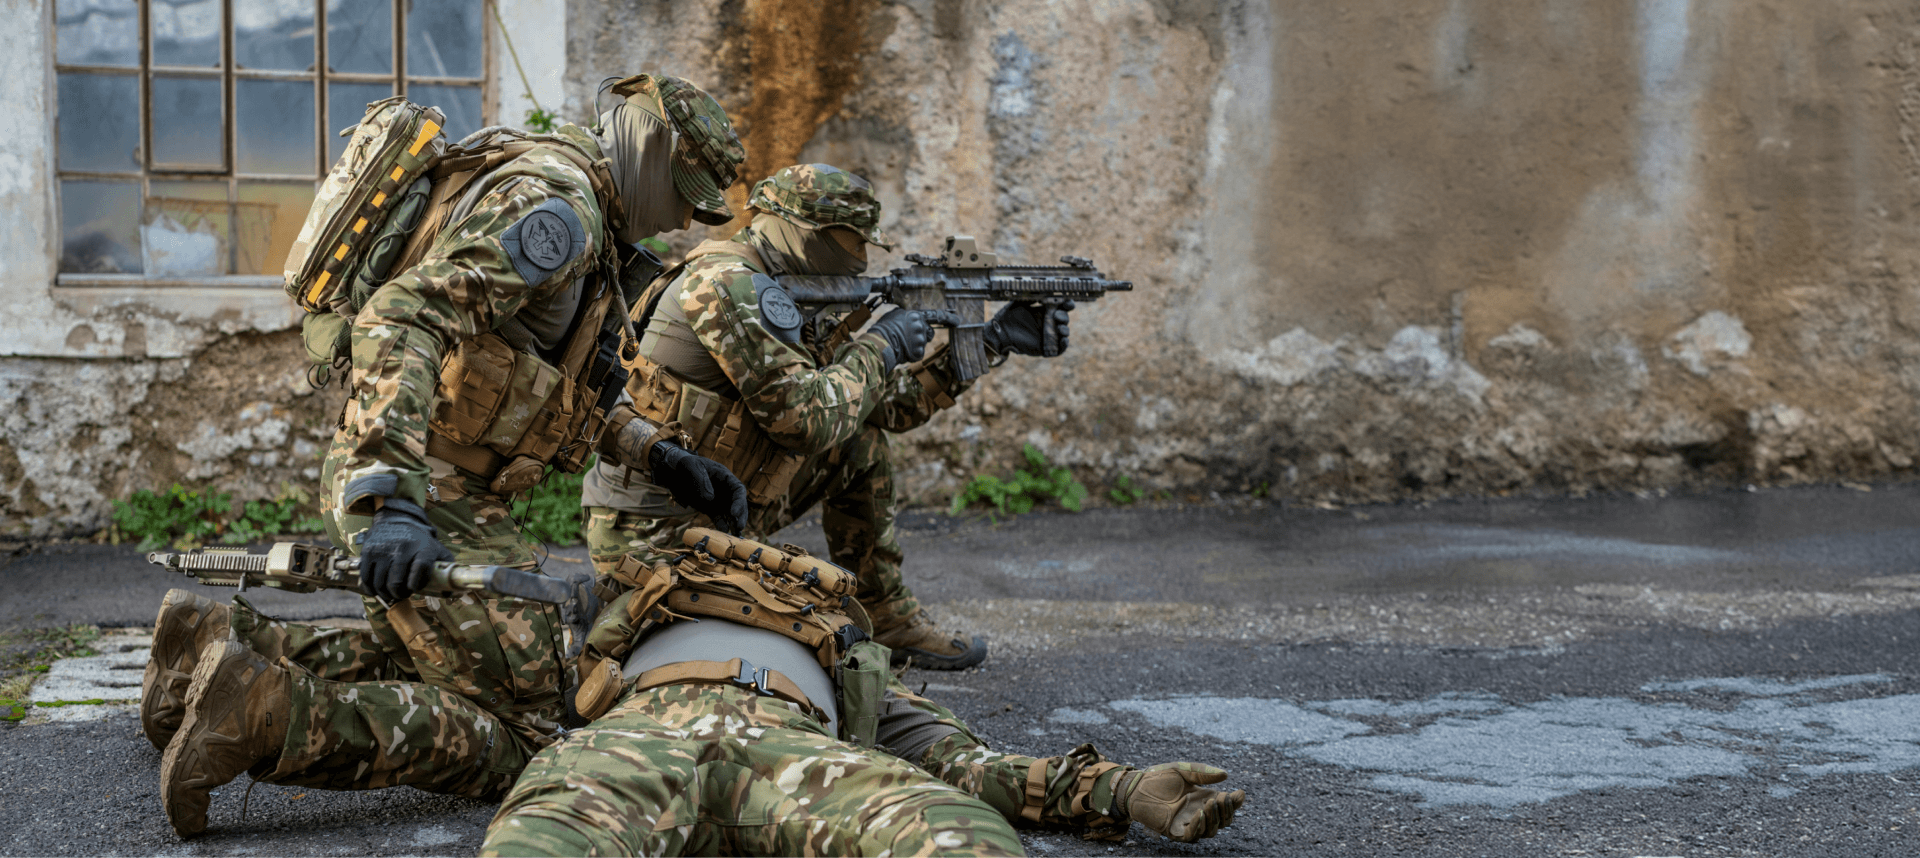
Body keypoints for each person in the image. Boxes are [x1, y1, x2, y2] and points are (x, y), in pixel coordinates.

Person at [143, 73, 756, 839]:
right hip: (425, 488)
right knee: (533, 734)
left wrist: (659, 453)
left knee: (439, 664)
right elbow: (402, 316)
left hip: (442, 485)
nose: (683, 225)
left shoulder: (585, 213)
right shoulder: (555, 213)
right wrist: (392, 498)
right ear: (651, 154)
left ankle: (210, 652)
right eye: (685, 198)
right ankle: (261, 718)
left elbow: (551, 385)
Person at [579, 163, 1076, 670]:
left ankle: (888, 615)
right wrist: (881, 345)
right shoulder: (729, 284)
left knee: (861, 445)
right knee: (824, 654)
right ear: (807, 232)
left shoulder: (785, 286)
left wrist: (993, 340)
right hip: (655, 532)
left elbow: (881, 407)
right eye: (853, 241)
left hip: (723, 505)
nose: (860, 259)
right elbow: (807, 421)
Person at [480, 529, 1244, 856]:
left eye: (788, 568)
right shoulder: (632, 618)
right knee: (541, 841)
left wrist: (1124, 789)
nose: (771, 569)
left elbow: (971, 771)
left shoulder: (859, 673)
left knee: (958, 834)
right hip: (636, 733)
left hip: (797, 747)